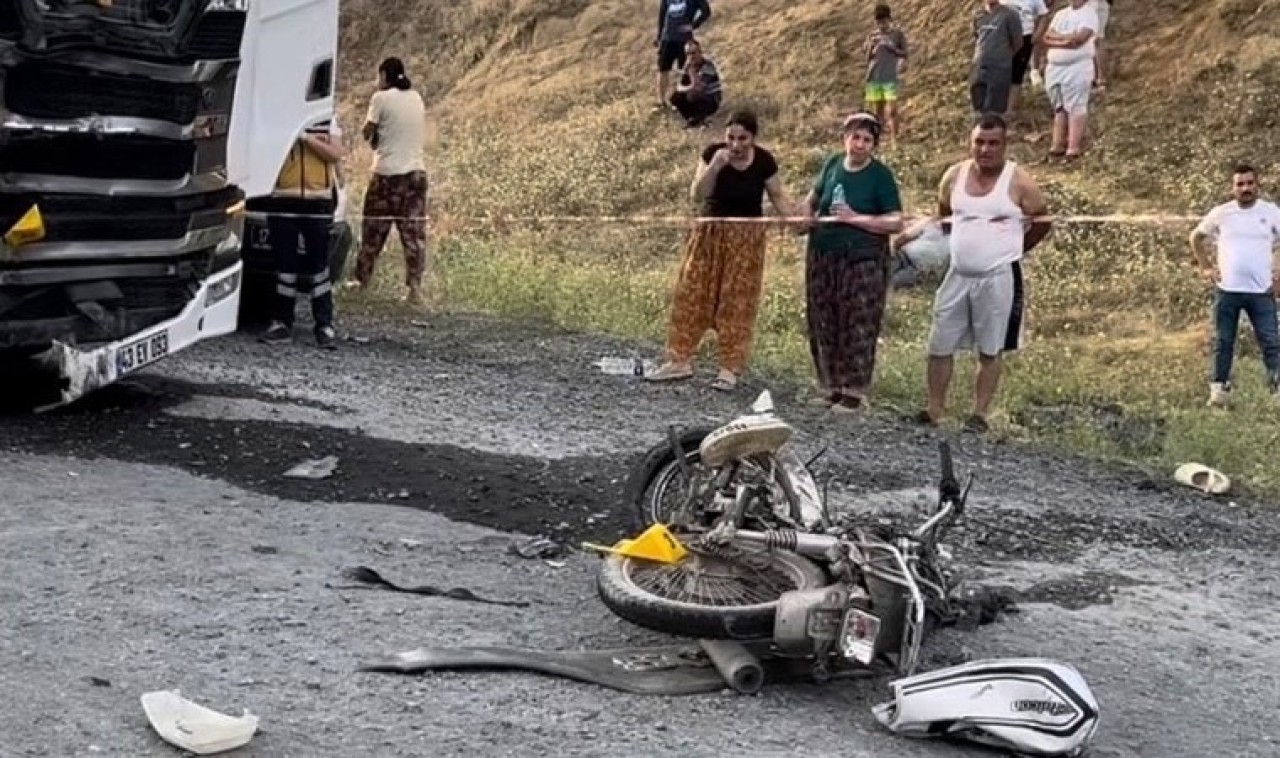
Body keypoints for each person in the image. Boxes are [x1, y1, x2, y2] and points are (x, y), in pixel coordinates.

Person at [646, 110, 800, 391]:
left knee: (736, 300)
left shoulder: (764, 161)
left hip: (746, 238)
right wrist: (714, 167)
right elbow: (697, 195)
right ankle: (679, 360)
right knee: (692, 292)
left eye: (743, 139)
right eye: (731, 137)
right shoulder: (712, 154)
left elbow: (777, 196)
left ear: (753, 138)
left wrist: (795, 223)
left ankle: (729, 368)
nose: (736, 145)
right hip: (710, 233)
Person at [922, 114, 1052, 432]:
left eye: (993, 143)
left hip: (997, 275)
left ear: (1005, 145)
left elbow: (1043, 220)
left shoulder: (1019, 181)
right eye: (979, 142)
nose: (985, 149)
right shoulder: (954, 176)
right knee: (939, 343)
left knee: (990, 347)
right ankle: (935, 409)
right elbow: (943, 211)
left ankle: (979, 414)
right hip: (958, 273)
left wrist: (1014, 249)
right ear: (971, 143)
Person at [800, 112, 904, 412]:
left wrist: (856, 219)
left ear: (874, 144)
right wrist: (805, 213)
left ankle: (853, 391)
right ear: (845, 138)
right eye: (855, 137)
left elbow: (895, 221)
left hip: (862, 258)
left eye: (867, 140)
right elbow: (815, 194)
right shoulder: (832, 163)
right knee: (823, 319)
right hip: (823, 252)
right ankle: (830, 385)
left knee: (857, 322)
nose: (859, 145)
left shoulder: (880, 176)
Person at [1187, 164, 1280, 407]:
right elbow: (1196, 237)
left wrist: (1279, 276)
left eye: (1250, 183)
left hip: (1261, 291)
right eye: (1240, 184)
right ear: (1233, 187)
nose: (1245, 188)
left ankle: (1277, 389)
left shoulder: (1271, 212)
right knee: (1223, 341)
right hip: (1227, 289)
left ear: (1257, 185)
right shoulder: (1222, 213)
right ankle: (1219, 391)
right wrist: (1206, 267)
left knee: (1270, 341)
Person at [258, 117, 347, 349]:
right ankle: (282, 323)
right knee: (284, 268)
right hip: (282, 200)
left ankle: (324, 325)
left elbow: (335, 153)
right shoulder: (279, 118)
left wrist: (305, 137)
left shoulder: (326, 121)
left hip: (318, 203)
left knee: (319, 270)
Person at [348, 57, 429, 304]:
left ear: (383, 75)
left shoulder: (380, 98)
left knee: (373, 230)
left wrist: (374, 136)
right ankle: (415, 289)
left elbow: (367, 131)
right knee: (413, 235)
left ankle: (363, 281)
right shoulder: (416, 98)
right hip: (416, 174)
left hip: (387, 174)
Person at [1041, 0, 1098, 159]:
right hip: (1055, 68)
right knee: (1059, 107)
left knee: (1076, 106)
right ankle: (1057, 145)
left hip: (1077, 67)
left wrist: (1058, 39)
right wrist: (1065, 40)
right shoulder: (1061, 14)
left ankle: (1073, 147)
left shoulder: (1089, 13)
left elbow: (1080, 39)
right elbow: (1046, 36)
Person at [654, 0, 712, 112]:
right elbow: (662, 14)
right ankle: (661, 102)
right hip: (667, 39)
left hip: (684, 40)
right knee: (663, 69)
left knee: (686, 71)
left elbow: (706, 11)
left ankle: (684, 102)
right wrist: (659, 36)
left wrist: (693, 25)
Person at [969, 0, 1023, 118]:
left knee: (995, 107)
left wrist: (1004, 55)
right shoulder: (978, 14)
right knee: (978, 105)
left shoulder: (1010, 14)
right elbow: (976, 36)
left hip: (1000, 65)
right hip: (979, 64)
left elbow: (1018, 42)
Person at [863, 4, 908, 143]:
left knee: (892, 110)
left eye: (884, 21)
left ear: (889, 19)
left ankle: (895, 140)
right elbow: (867, 58)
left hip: (890, 77)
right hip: (875, 76)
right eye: (878, 22)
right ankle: (877, 141)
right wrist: (871, 46)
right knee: (878, 112)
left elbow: (905, 53)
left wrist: (890, 46)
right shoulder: (872, 35)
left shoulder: (897, 34)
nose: (881, 25)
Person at [1002, 0, 1049, 119]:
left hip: (1025, 36)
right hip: (1004, 37)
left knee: (1017, 73)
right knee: (1000, 71)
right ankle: (997, 104)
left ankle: (1009, 108)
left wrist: (1038, 34)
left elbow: (1043, 15)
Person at [669, 38, 722, 128]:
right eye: (688, 54)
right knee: (675, 97)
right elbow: (679, 86)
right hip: (696, 96)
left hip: (711, 99)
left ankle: (699, 118)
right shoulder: (689, 66)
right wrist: (686, 87)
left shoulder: (708, 66)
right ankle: (692, 118)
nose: (691, 56)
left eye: (693, 53)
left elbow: (698, 88)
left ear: (700, 52)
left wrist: (691, 70)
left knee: (693, 94)